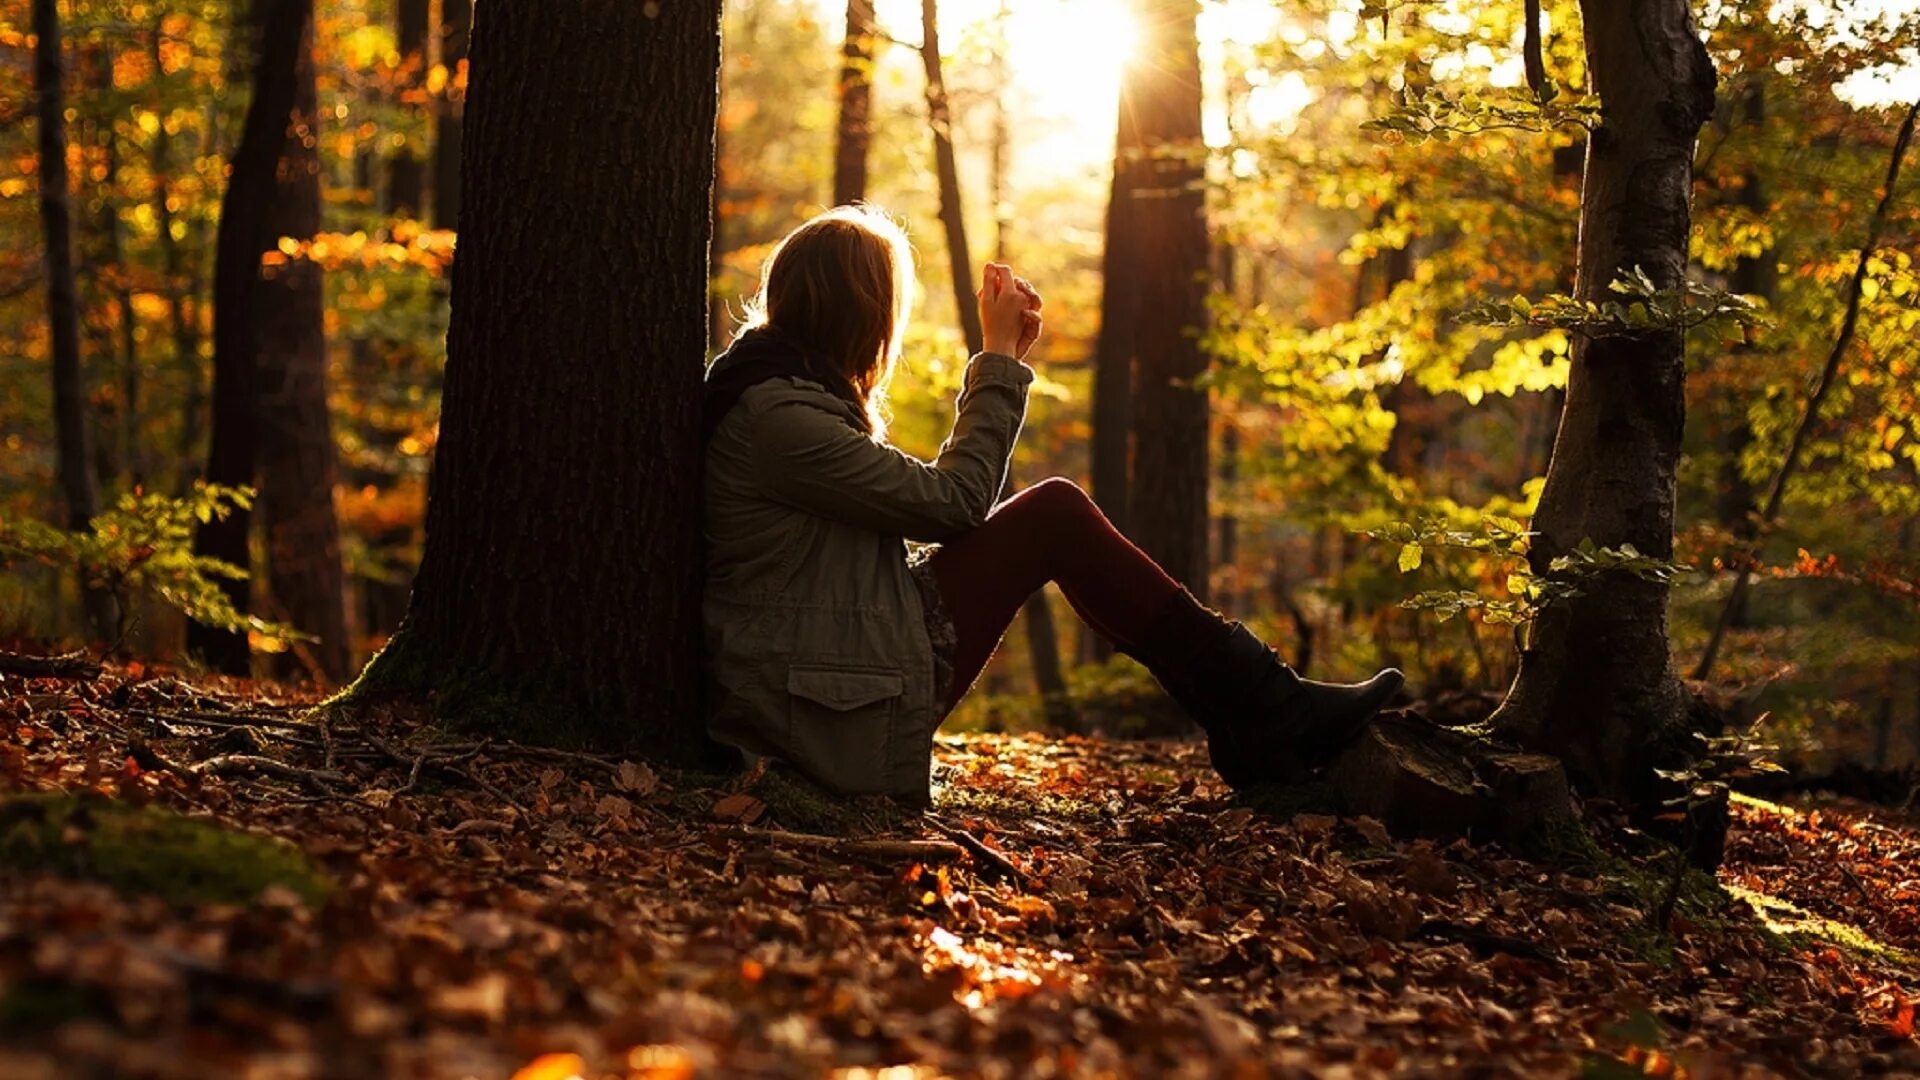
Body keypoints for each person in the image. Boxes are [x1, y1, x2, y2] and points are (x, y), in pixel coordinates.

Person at [702, 205, 1402, 801]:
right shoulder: (781, 418)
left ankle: (1262, 711)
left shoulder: (781, 394)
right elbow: (955, 502)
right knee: (1055, 514)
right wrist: (999, 360)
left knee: (1054, 514)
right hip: (816, 697)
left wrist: (1003, 359)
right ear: (859, 312)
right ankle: (1270, 711)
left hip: (833, 663)